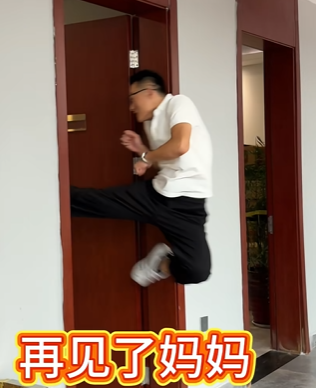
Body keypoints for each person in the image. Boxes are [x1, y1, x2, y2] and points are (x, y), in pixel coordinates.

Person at [70, 70, 212, 288]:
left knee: (197, 271)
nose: (131, 107)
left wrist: (146, 157)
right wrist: (143, 150)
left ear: (149, 91)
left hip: (188, 204)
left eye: (132, 99)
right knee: (91, 201)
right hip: (156, 194)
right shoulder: (149, 123)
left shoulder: (178, 103)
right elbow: (167, 162)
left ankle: (161, 263)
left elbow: (180, 146)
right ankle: (48, 196)